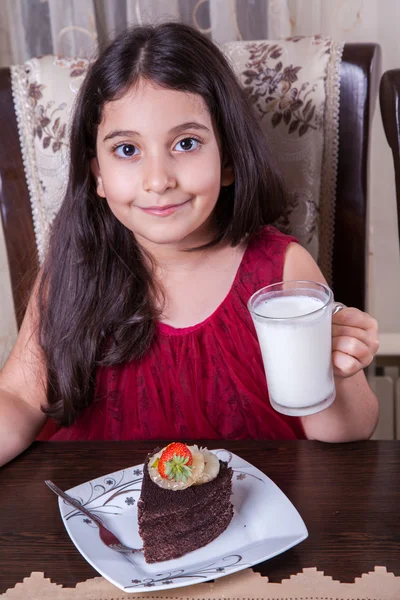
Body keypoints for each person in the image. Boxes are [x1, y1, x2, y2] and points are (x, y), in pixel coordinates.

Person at [0, 22, 379, 467]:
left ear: (229, 162)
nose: (159, 180)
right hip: (106, 517)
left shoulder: (282, 273)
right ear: (98, 174)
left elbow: (348, 430)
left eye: (186, 143)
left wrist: (338, 368)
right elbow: (18, 399)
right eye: (127, 150)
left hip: (257, 514)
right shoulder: (72, 271)